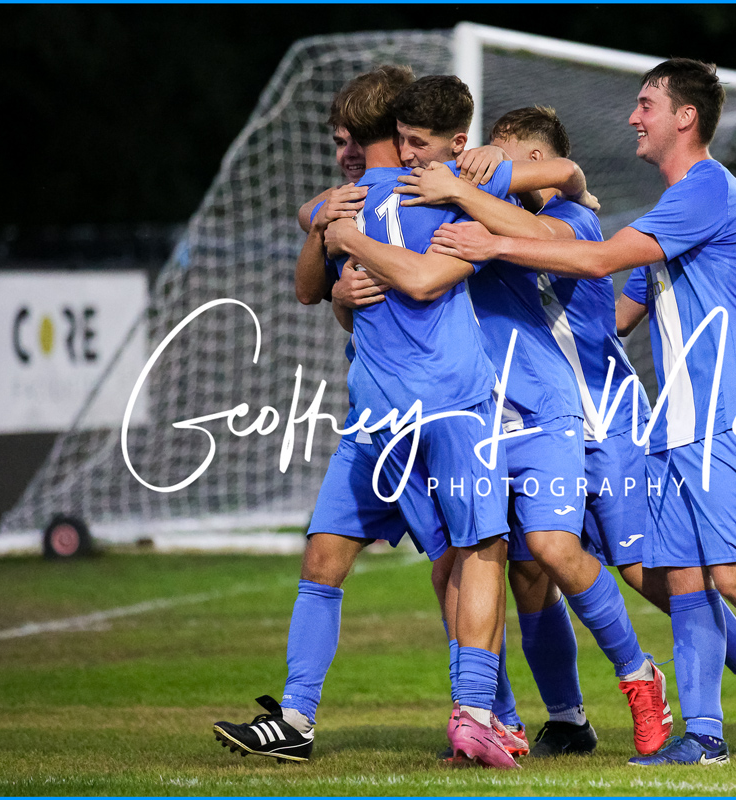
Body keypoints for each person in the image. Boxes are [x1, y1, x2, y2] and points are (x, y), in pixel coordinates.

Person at [429, 58, 736, 765]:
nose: (632, 117)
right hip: (673, 422)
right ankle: (703, 735)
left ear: (685, 117)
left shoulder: (706, 191)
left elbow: (597, 256)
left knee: (733, 576)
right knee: (681, 577)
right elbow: (615, 313)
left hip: (729, 414)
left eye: (646, 104)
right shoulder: (673, 213)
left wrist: (494, 243)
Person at [331, 78, 673, 759]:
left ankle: (646, 678)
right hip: (476, 418)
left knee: (560, 550)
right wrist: (342, 285)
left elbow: (566, 177)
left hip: (555, 409)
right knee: (468, 569)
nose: (408, 156)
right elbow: (368, 281)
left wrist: (472, 183)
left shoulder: (509, 205)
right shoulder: (423, 202)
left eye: (420, 145)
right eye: (400, 143)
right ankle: (505, 718)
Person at [216, 65, 520, 770]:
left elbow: (544, 180)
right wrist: (334, 257)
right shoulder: (352, 200)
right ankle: (296, 717)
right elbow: (306, 280)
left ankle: (485, 714)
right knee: (328, 556)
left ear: (403, 138)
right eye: (338, 141)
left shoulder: (446, 188)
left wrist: (492, 160)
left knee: (471, 558)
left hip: (452, 407)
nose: (345, 152)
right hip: (378, 420)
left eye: (357, 139)